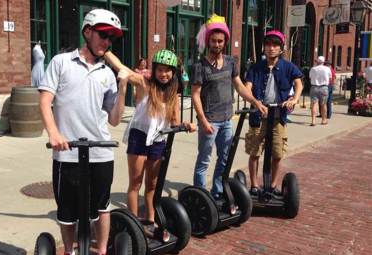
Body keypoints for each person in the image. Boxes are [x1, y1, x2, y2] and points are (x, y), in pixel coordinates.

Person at [38, 9, 128, 255]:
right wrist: (54, 133)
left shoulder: (107, 73)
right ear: (87, 31)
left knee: (101, 207)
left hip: (100, 152)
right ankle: (69, 253)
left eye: (111, 37)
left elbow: (113, 119)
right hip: (67, 153)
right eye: (103, 35)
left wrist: (123, 88)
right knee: (67, 212)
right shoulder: (61, 62)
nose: (107, 41)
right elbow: (44, 101)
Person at [104, 49, 196, 236]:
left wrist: (185, 125)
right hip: (139, 136)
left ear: (173, 72)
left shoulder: (173, 95)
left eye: (168, 70)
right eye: (160, 70)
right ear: (154, 70)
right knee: (135, 184)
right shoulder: (145, 84)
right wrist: (104, 51)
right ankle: (134, 225)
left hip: (158, 140)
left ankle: (151, 220)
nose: (164, 74)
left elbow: (175, 122)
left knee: (153, 185)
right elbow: (121, 67)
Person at [191, 14, 267, 199]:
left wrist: (256, 102)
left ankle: (217, 190)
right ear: (208, 41)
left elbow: (240, 86)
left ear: (225, 42)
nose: (217, 44)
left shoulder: (231, 62)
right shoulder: (199, 66)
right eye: (214, 41)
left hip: (226, 119)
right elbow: (195, 94)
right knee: (204, 160)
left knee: (224, 158)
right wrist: (203, 120)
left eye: (220, 41)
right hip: (209, 121)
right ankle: (200, 195)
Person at [244, 30, 304, 194]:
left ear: (281, 48)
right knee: (255, 152)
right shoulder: (256, 68)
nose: (271, 48)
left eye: (275, 45)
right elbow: (247, 88)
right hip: (259, 116)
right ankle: (255, 186)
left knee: (277, 153)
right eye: (268, 45)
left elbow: (299, 83)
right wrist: (255, 102)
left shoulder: (288, 66)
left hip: (278, 117)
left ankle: (272, 186)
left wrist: (294, 99)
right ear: (263, 47)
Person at [309, 56, 331, 125]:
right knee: (323, 104)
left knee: (314, 104)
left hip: (314, 87)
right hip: (324, 87)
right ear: (323, 62)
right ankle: (323, 120)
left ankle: (313, 121)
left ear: (317, 61)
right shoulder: (327, 68)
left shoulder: (313, 69)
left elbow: (310, 77)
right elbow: (330, 78)